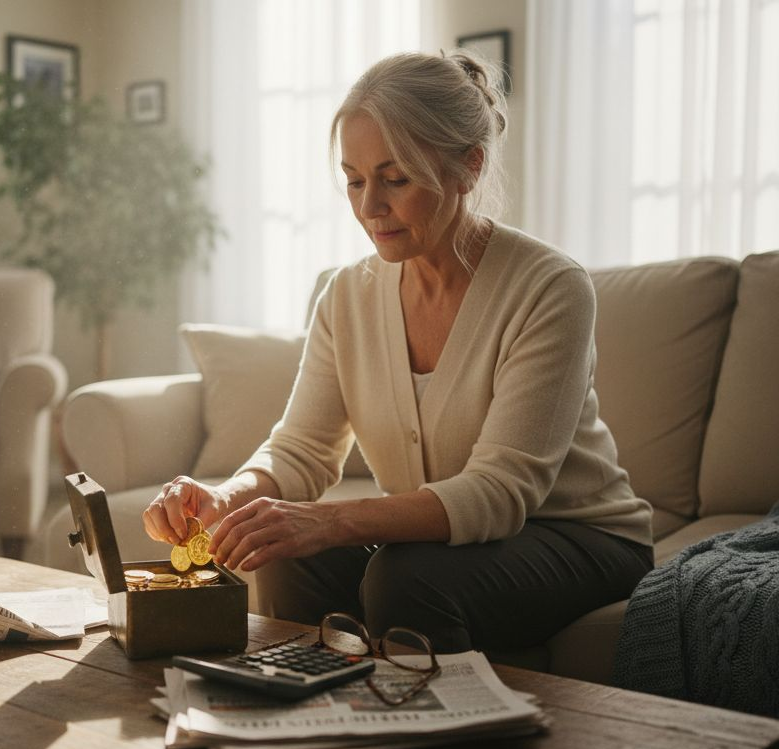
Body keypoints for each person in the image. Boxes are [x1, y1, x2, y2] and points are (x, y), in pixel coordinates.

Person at [142, 51, 654, 654]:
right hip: (435, 543)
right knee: (280, 557)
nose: (368, 207)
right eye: (355, 180)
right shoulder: (346, 296)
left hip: (577, 537)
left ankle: (431, 738)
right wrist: (223, 498)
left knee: (403, 576)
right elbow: (302, 450)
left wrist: (328, 522)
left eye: (396, 178)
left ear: (469, 168)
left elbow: (501, 491)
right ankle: (301, 724)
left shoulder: (550, 287)